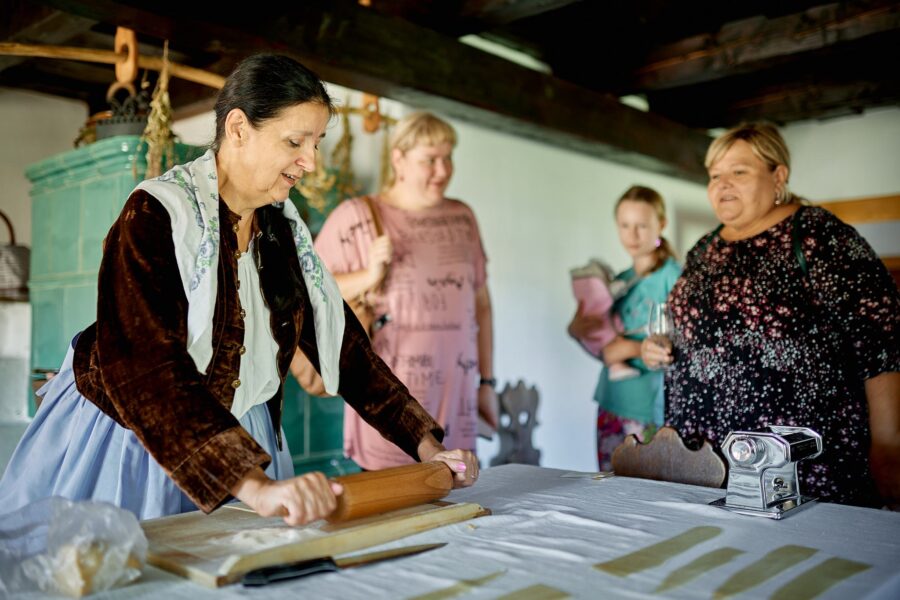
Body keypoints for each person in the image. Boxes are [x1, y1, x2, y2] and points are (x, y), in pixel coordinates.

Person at [0, 55, 479, 525]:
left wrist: (425, 443)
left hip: (240, 435)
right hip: (136, 436)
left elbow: (345, 348)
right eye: (295, 141)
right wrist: (254, 486)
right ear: (237, 129)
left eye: (317, 143)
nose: (310, 162)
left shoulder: (281, 230)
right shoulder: (155, 214)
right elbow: (148, 370)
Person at [642, 122, 900, 509]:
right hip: (703, 457)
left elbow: (882, 343)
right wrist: (660, 346)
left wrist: (888, 444)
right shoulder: (705, 248)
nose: (722, 184)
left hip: (800, 462)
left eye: (738, 172)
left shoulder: (817, 236)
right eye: (714, 175)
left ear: (778, 175)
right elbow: (691, 330)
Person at [313, 111, 498, 471]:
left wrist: (487, 381)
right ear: (398, 159)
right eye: (430, 160)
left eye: (448, 158)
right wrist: (368, 276)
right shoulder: (357, 217)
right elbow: (307, 288)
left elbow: (482, 305)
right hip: (390, 401)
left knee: (457, 498)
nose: (442, 170)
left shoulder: (463, 218)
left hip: (457, 396)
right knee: (398, 511)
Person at [567, 186, 680, 471]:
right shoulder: (619, 280)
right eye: (625, 225)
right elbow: (602, 346)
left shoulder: (675, 278)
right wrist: (578, 329)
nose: (633, 235)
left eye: (642, 225)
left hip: (650, 408)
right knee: (609, 491)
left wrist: (626, 349)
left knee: (646, 495)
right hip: (611, 401)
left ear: (661, 224)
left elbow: (682, 348)